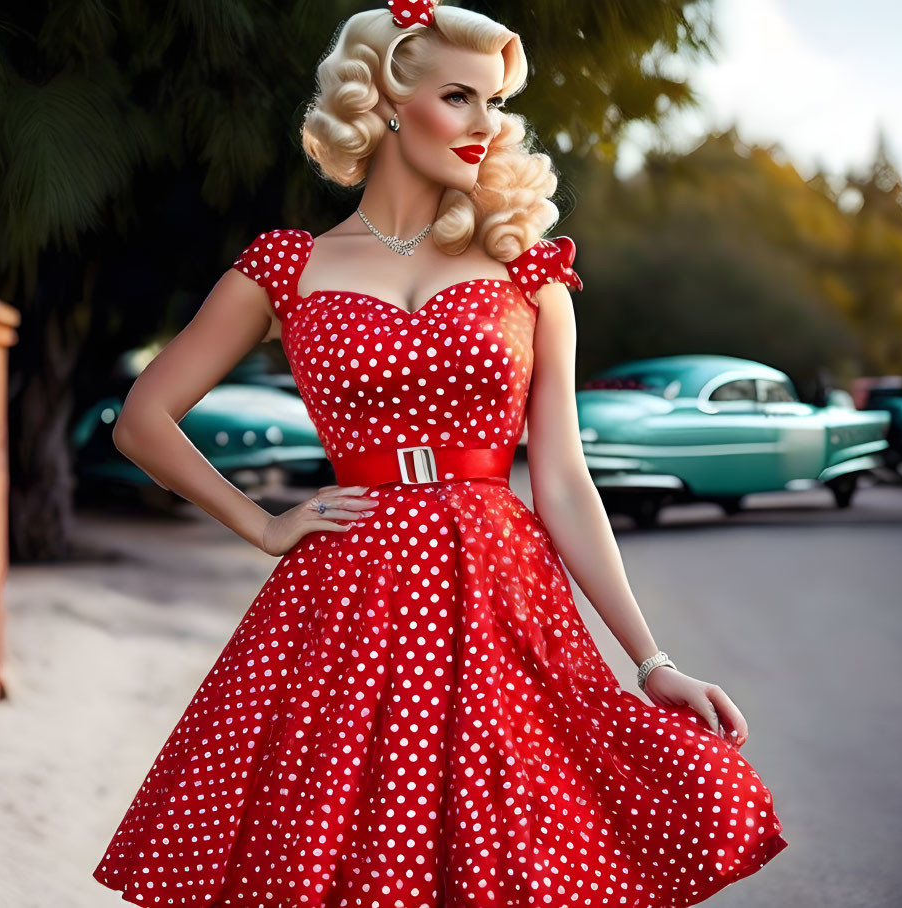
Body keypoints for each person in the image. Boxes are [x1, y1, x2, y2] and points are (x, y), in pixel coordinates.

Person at [92, 1, 788, 904]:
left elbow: (564, 480)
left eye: (493, 102)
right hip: (346, 598)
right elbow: (142, 418)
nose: (484, 125)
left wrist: (651, 662)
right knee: (337, 849)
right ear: (384, 102)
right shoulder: (286, 266)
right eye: (457, 96)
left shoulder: (527, 273)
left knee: (508, 844)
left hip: (502, 593)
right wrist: (261, 526)